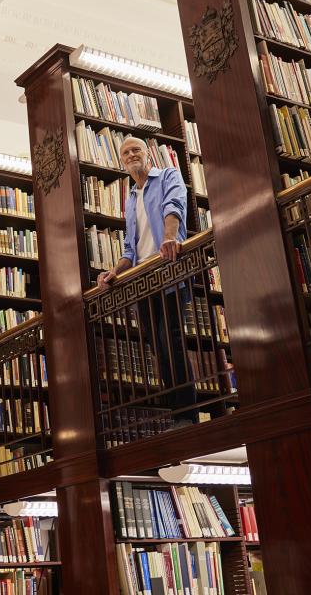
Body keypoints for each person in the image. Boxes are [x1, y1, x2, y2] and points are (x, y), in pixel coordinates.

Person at [96, 136, 196, 424]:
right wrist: (115, 271)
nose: (131, 155)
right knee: (157, 347)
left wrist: (168, 239)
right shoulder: (130, 200)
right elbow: (131, 247)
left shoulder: (168, 176)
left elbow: (174, 207)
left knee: (172, 339)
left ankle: (187, 415)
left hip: (168, 268)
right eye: (125, 152)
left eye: (135, 149)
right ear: (121, 161)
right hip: (143, 279)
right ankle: (176, 415)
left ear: (147, 153)